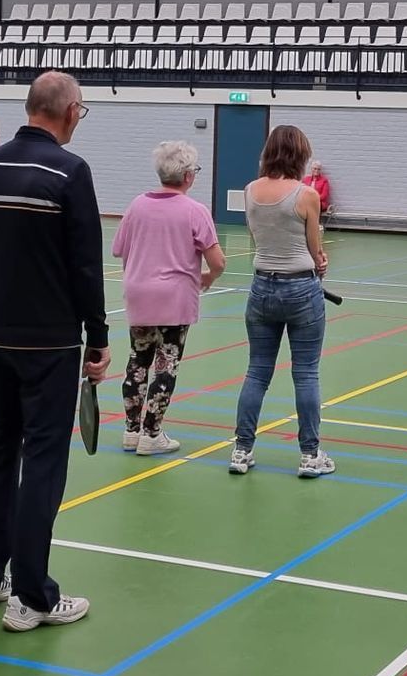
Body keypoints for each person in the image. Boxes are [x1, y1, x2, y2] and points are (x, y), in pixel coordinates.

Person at [0, 71, 109, 632]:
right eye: (82, 111)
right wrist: (98, 337)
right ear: (69, 111)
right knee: (43, 460)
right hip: (49, 341)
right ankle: (33, 597)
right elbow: (85, 263)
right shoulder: (70, 171)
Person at [230, 124, 335, 478]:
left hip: (262, 287)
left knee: (257, 371)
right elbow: (314, 249)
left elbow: (255, 237)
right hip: (301, 289)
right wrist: (321, 261)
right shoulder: (306, 195)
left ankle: (241, 450)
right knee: (305, 373)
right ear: (300, 155)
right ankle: (310, 455)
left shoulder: (250, 191)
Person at [112, 140, 226, 456]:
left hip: (139, 293)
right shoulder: (195, 211)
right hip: (175, 297)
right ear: (188, 175)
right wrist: (208, 277)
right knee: (166, 363)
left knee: (138, 360)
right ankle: (152, 433)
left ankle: (131, 430)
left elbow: (120, 249)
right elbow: (217, 261)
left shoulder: (136, 205)